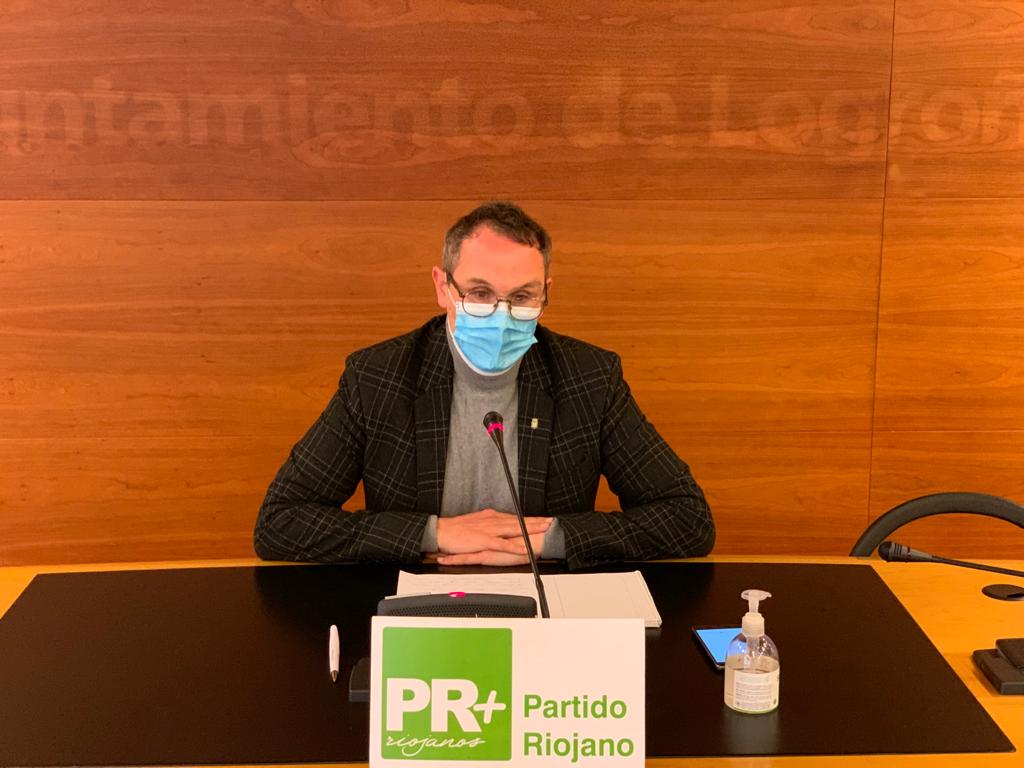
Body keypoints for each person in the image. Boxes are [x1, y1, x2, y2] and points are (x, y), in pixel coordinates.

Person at [254, 201, 714, 569]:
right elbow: (280, 522)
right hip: (420, 603)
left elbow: (687, 518)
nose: (501, 313)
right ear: (443, 287)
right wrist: (433, 533)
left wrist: (549, 540)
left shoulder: (589, 377)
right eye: (479, 293)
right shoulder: (378, 376)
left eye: (522, 297)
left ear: (546, 294)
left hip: (546, 600)